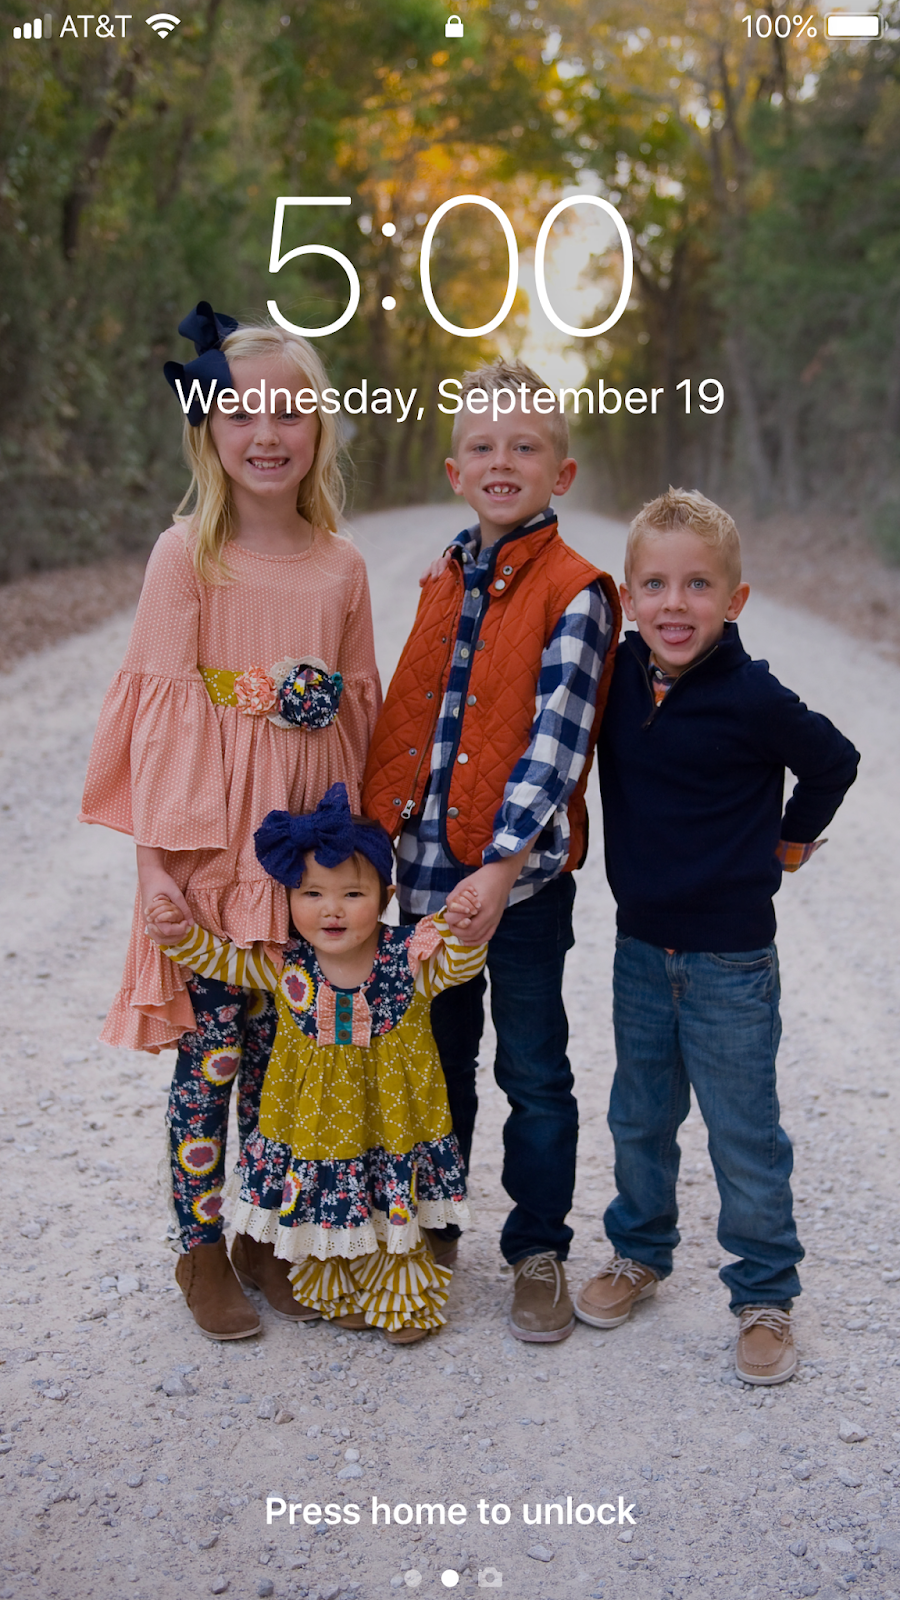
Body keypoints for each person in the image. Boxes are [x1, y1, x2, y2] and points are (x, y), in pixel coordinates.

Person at [80, 305, 381, 1340]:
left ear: (319, 430)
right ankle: (200, 1249)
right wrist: (155, 870)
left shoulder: (342, 566)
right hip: (213, 854)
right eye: (243, 412)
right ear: (208, 429)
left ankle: (263, 1236)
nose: (267, 433)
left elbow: (358, 716)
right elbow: (161, 716)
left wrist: (358, 865)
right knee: (210, 1061)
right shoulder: (187, 555)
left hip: (304, 864)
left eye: (290, 413)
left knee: (285, 1058)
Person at [363, 359, 621, 1343]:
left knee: (534, 1069)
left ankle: (538, 1248)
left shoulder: (576, 591)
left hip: (522, 890)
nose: (501, 461)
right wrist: (373, 840)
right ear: (455, 469)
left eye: (525, 446)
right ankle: (431, 1234)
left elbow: (557, 743)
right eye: (483, 446)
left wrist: (503, 866)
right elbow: (409, 721)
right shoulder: (442, 577)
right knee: (435, 1063)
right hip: (426, 883)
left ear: (561, 472)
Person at [576, 487, 860, 1383]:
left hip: (732, 961)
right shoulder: (616, 677)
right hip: (639, 951)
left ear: (734, 600)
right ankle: (640, 1252)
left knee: (743, 1132)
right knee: (639, 1116)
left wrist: (789, 840)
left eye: (698, 585)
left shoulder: (753, 696)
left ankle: (765, 1293)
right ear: (629, 597)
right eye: (655, 585)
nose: (675, 604)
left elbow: (835, 760)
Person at [148, 783, 486, 1344]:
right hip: (318, 1128)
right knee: (329, 1212)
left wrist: (469, 930)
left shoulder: (407, 957)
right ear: (287, 900)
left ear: (385, 895)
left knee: (391, 1211)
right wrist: (179, 935)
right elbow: (220, 959)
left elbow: (460, 966)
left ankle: (400, 1296)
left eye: (353, 893)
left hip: (393, 1123)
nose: (332, 909)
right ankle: (337, 1284)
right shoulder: (286, 965)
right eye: (311, 894)